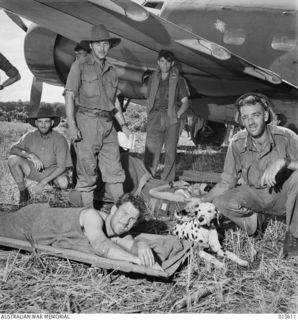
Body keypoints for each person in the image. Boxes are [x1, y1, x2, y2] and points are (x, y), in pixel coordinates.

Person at [185, 93, 298, 258]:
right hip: (255, 195)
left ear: (266, 116)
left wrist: (284, 162)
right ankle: (254, 224)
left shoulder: (286, 136)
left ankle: (294, 237)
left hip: (284, 196)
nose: (251, 122)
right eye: (245, 117)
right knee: (221, 201)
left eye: (256, 115)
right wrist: (202, 200)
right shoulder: (237, 142)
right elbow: (226, 182)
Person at [0, 194, 189, 272]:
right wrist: (137, 260)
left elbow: (131, 243)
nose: (126, 221)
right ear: (113, 211)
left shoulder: (118, 232)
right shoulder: (93, 216)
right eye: (124, 214)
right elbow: (101, 245)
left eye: (132, 220)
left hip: (36, 226)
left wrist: (142, 246)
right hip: (29, 221)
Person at [64, 24, 131, 207]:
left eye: (106, 44)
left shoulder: (112, 70)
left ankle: (122, 212)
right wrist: (71, 124)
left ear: (110, 46)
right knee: (87, 172)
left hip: (108, 125)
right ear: (91, 46)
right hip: (86, 122)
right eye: (98, 44)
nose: (102, 48)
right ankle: (88, 215)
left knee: (115, 171)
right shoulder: (79, 66)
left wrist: (123, 126)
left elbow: (114, 101)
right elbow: (69, 94)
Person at [8, 104, 72, 204]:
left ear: (51, 123)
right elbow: (13, 149)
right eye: (40, 121)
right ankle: (23, 192)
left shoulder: (60, 139)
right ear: (36, 123)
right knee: (13, 159)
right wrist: (30, 155)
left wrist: (43, 182)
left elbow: (62, 167)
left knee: (63, 183)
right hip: (35, 170)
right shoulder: (30, 135)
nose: (43, 125)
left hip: (54, 172)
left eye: (46, 121)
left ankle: (55, 193)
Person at [144, 49, 190, 182]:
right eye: (162, 61)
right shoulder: (152, 79)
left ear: (172, 63)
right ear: (158, 62)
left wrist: (177, 115)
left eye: (167, 62)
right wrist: (150, 116)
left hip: (171, 118)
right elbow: (148, 100)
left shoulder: (179, 80)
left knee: (170, 153)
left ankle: (167, 182)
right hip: (155, 117)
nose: (164, 65)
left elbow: (185, 102)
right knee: (151, 152)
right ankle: (147, 181)